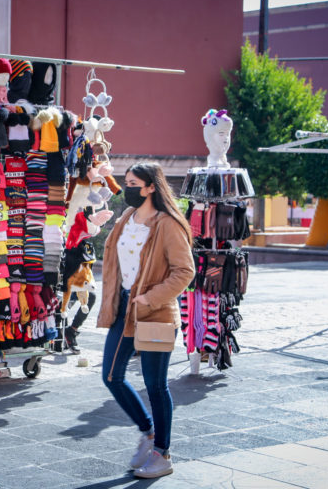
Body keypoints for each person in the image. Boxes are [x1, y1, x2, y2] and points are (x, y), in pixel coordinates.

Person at [97, 162, 195, 478]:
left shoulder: (168, 224)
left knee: (155, 385)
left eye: (133, 184)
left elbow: (185, 271)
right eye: (126, 182)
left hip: (155, 311)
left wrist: (150, 297)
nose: (127, 189)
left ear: (151, 187)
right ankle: (148, 432)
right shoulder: (127, 218)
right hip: (123, 308)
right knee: (111, 375)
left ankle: (162, 454)